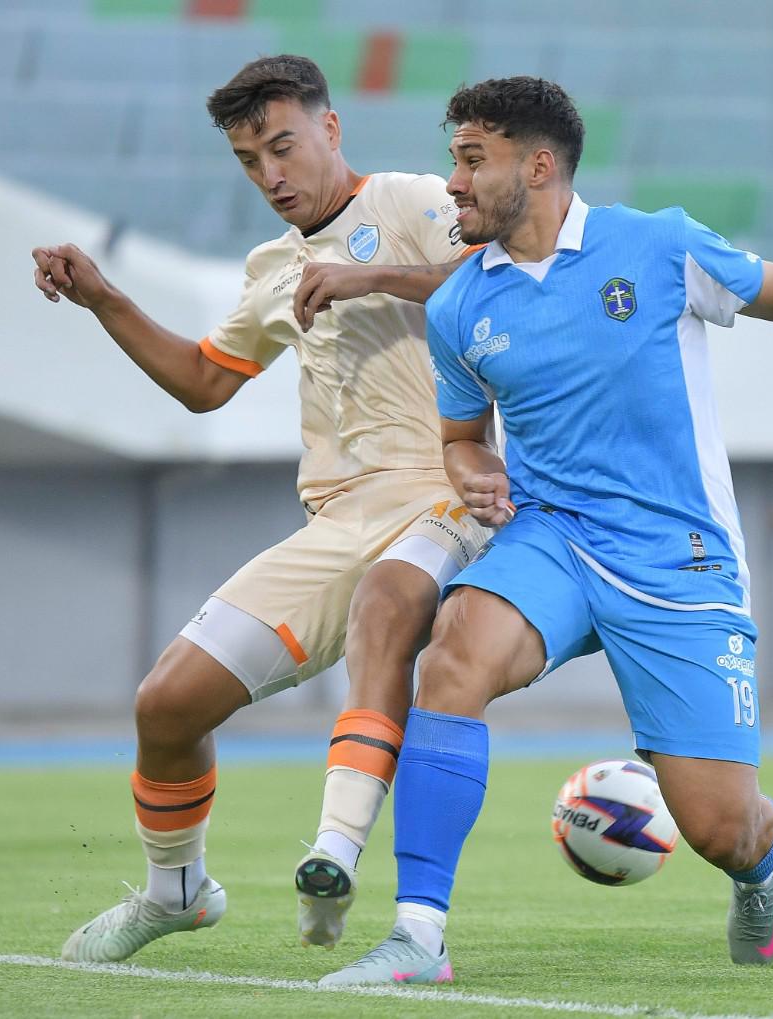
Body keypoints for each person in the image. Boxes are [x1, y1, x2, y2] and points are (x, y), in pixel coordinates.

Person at [320, 75, 773, 986]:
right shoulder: (461, 305)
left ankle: (761, 862)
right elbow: (461, 439)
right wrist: (475, 470)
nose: (451, 183)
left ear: (536, 167)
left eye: (471, 161)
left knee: (718, 826)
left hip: (677, 560)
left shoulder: (656, 246)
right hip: (554, 538)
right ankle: (419, 935)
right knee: (451, 656)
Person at [30, 54, 490, 963]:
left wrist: (376, 277)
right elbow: (206, 380)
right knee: (166, 705)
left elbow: (510, 281)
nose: (270, 175)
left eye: (283, 146)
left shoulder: (408, 203)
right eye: (249, 160)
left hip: (448, 491)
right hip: (338, 522)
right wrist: (104, 300)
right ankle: (178, 892)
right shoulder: (273, 266)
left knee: (388, 614)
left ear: (330, 130)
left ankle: (338, 854)